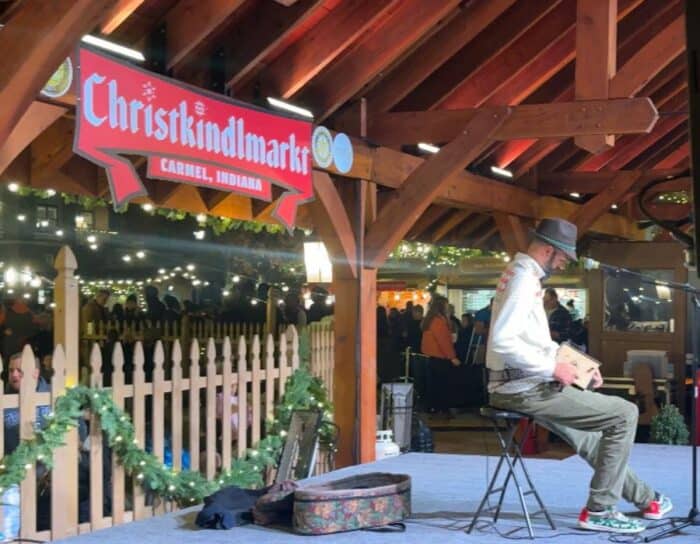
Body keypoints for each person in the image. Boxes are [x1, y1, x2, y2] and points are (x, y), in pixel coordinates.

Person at [486, 218, 671, 534]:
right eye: (562, 257)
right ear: (548, 250)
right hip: (525, 387)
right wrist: (552, 369)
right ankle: (600, 509)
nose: (563, 263)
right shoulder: (523, 281)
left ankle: (646, 499)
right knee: (624, 414)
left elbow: (533, 341)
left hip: (523, 383)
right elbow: (503, 340)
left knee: (590, 439)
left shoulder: (521, 274)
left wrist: (577, 365)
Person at [420, 295, 460, 414]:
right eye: (446, 305)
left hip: (432, 357)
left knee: (434, 384)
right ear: (441, 306)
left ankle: (434, 407)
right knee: (442, 385)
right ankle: (442, 408)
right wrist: (452, 357)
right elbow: (443, 341)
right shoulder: (438, 321)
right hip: (440, 357)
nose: (448, 307)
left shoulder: (430, 320)